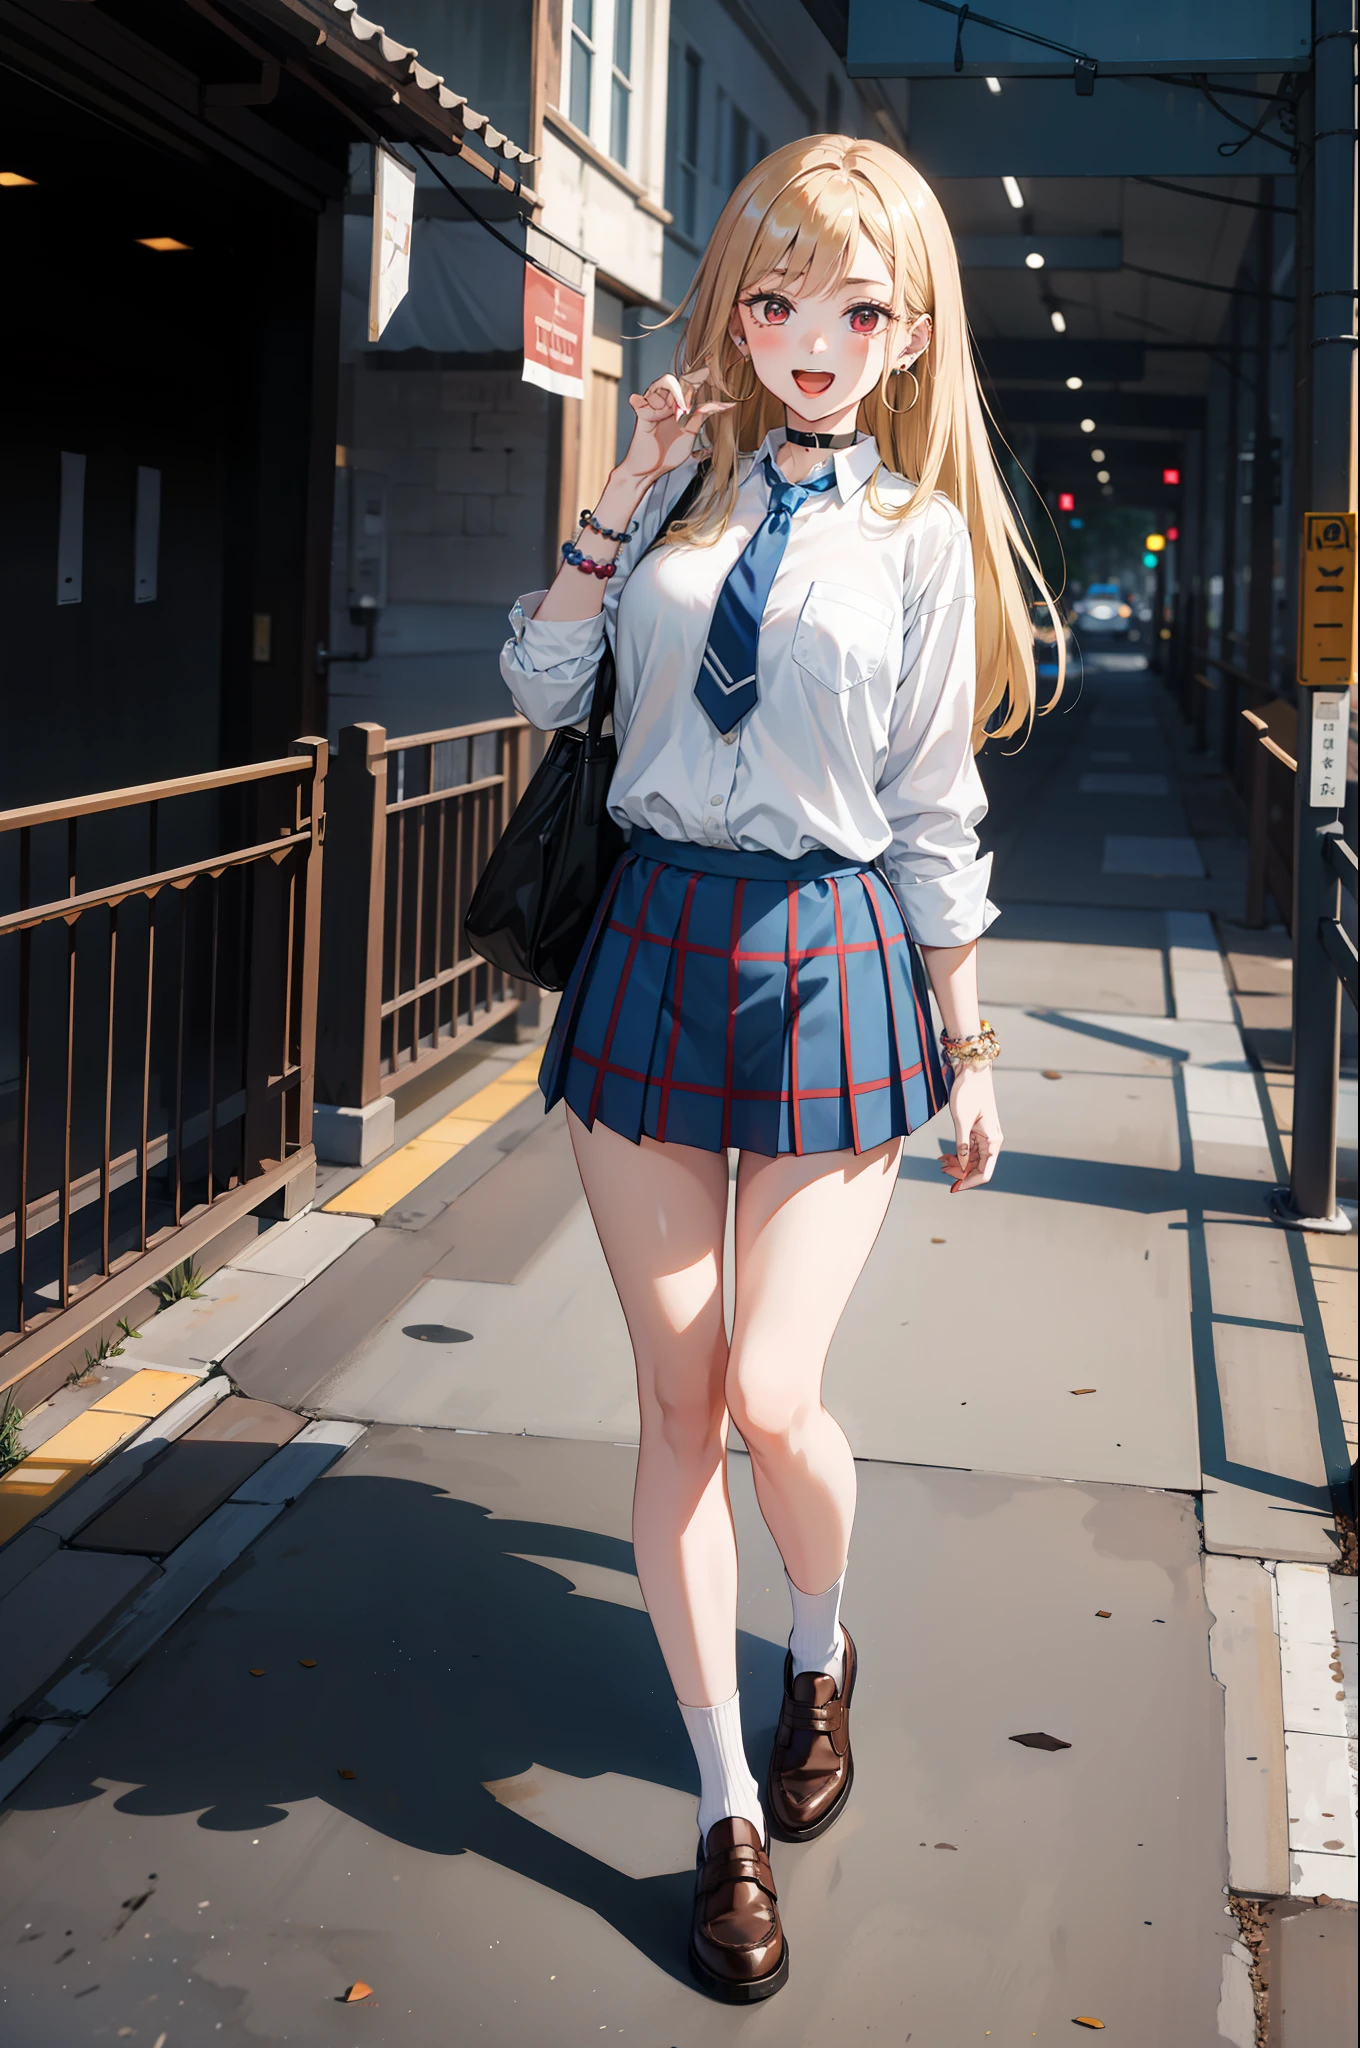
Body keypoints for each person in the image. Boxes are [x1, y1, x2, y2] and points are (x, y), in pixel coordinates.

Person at [500, 134, 1062, 2003]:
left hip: (834, 955)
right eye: (777, 296)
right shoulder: (672, 501)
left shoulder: (915, 540)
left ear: (905, 336)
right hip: (655, 939)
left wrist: (968, 1048)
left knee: (772, 1394)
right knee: (678, 1400)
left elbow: (930, 804)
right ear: (736, 310)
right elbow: (535, 682)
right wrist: (619, 502)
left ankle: (820, 1639)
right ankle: (727, 1807)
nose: (813, 336)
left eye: (857, 306)